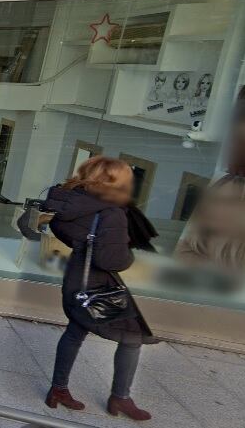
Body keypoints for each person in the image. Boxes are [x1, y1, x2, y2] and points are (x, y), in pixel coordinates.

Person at [41, 156, 157, 422]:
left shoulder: (72, 200)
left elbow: (59, 228)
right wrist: (126, 253)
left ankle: (57, 390)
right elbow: (110, 260)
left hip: (76, 279)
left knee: (75, 331)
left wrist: (85, 241)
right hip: (99, 285)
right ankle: (121, 397)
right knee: (132, 339)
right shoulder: (112, 212)